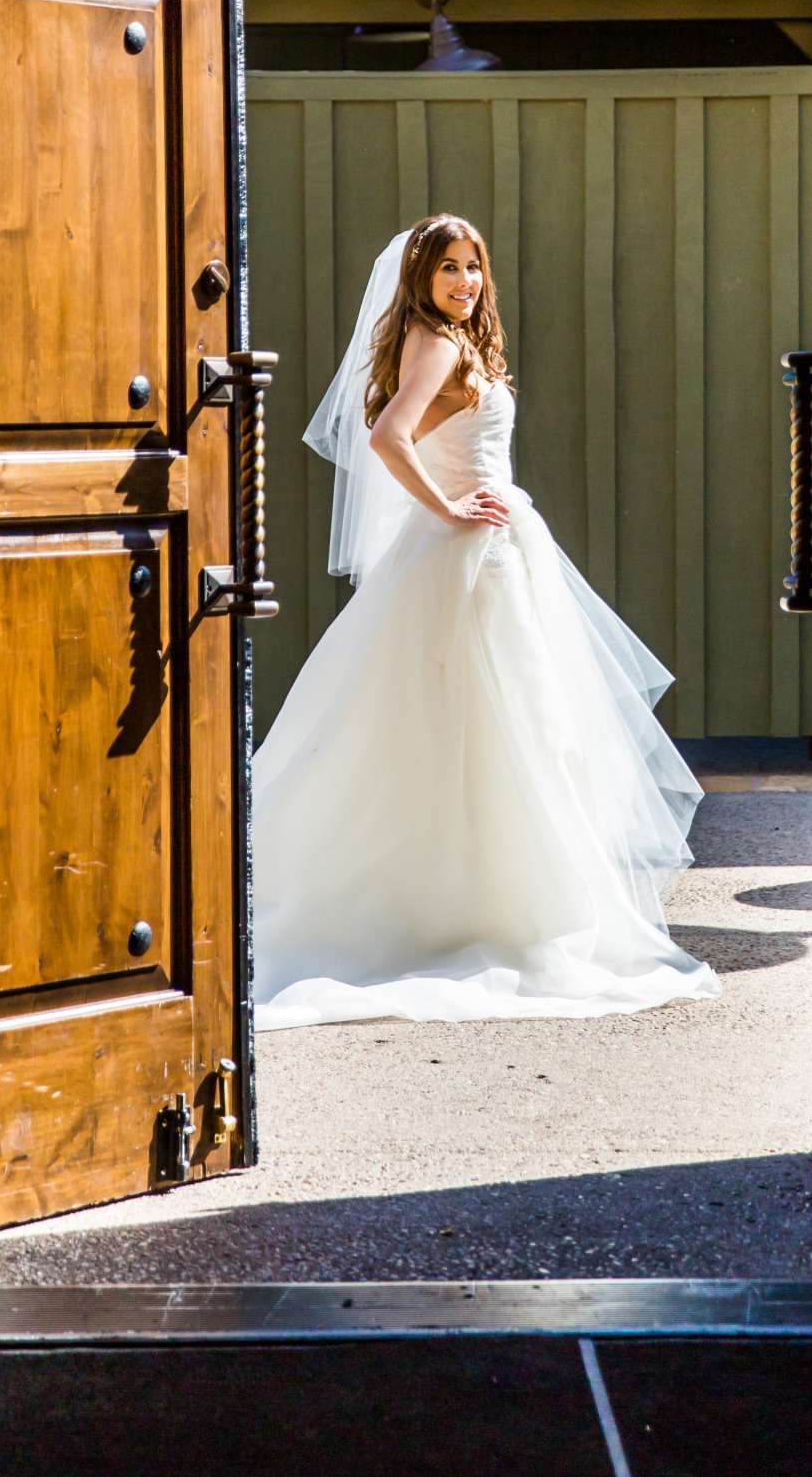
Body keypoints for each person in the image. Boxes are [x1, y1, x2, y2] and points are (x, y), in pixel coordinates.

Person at [251, 213, 721, 1028]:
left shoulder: (450, 339)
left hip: (491, 554)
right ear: (420, 281)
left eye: (473, 267)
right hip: (471, 560)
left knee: (494, 729)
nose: (465, 282)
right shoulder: (434, 342)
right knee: (500, 724)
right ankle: (498, 908)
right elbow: (387, 435)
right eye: (447, 270)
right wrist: (448, 505)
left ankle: (492, 895)